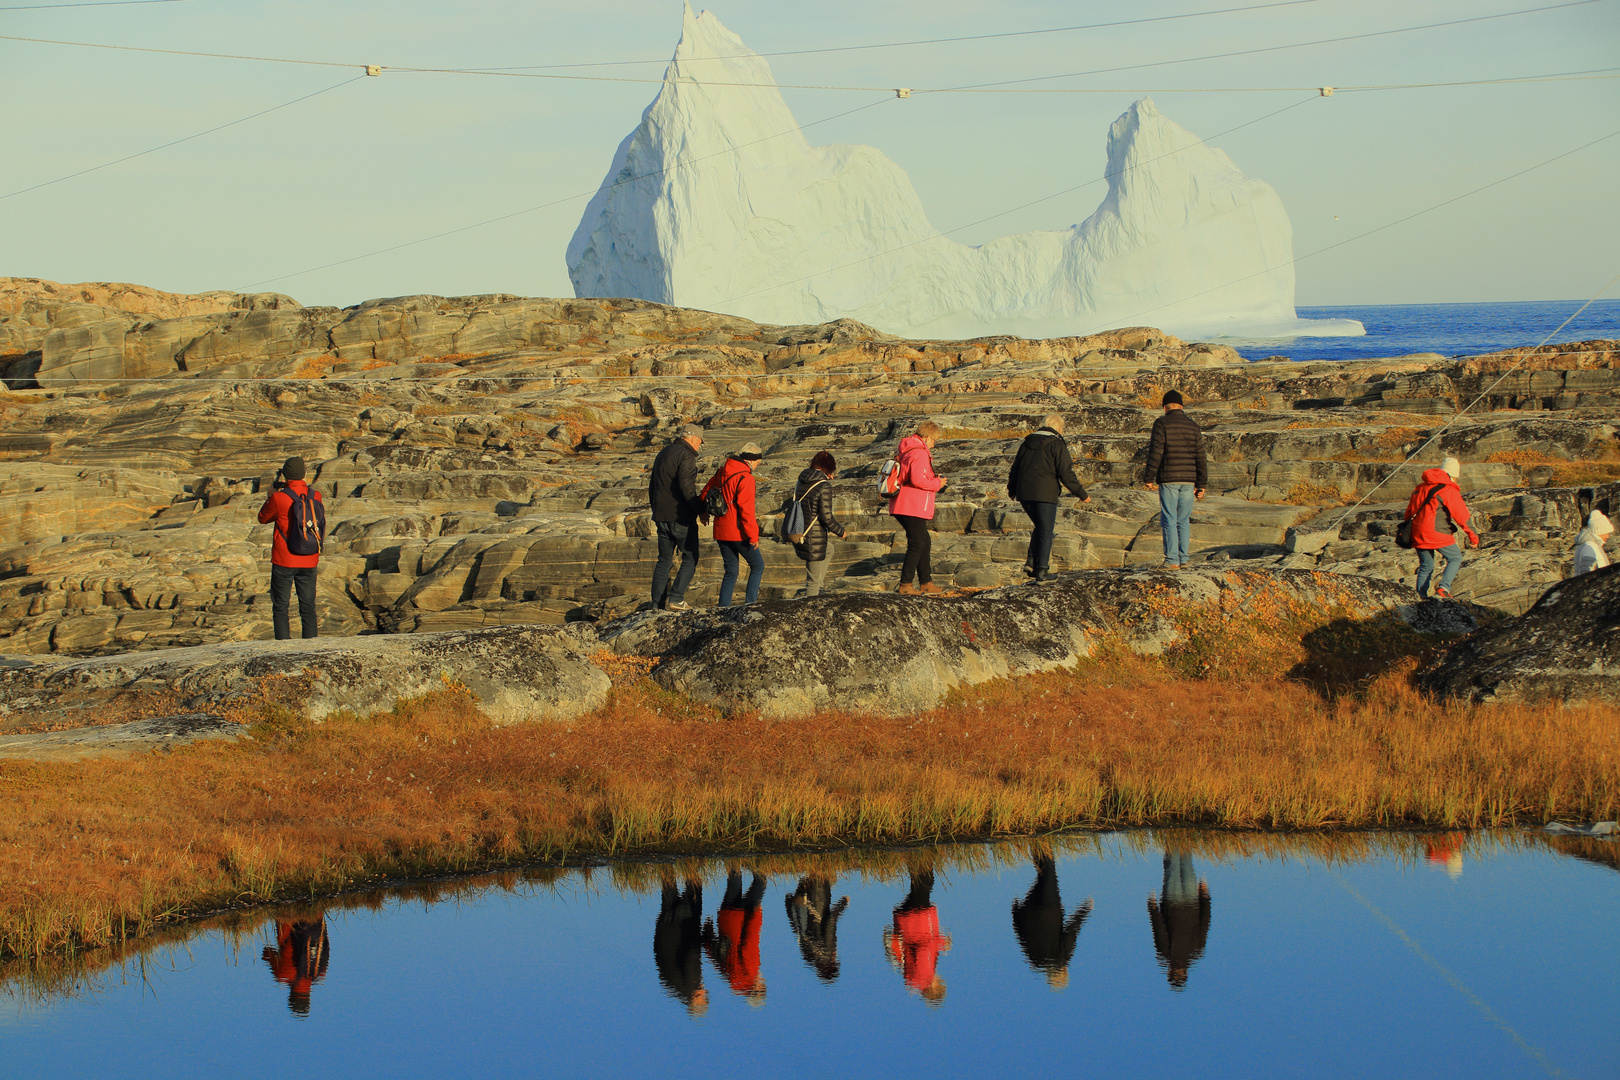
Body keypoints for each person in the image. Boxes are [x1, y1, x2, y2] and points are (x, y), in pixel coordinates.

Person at [1007, 414, 1090, 582]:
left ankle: (1031, 561)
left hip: (1024, 493)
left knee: (1040, 526)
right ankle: (1042, 570)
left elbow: (1016, 468)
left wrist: (1012, 489)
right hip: (1045, 493)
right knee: (1046, 530)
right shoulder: (1057, 444)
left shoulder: (1027, 443)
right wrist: (1082, 494)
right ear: (1058, 428)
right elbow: (1066, 473)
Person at [257, 455, 325, 640]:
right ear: (304, 474)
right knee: (308, 606)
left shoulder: (279, 498)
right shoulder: (315, 495)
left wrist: (270, 495)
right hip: (309, 558)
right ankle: (311, 646)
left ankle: (283, 648)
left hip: (284, 559)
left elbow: (262, 517)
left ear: (285, 476)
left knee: (280, 606)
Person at [1142, 390, 1207, 569]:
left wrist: (1148, 477)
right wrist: (1202, 484)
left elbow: (1156, 452)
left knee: (1169, 519)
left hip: (1169, 478)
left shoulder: (1161, 423)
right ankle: (1183, 558)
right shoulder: (1193, 426)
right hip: (1189, 479)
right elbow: (1201, 456)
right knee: (1183, 520)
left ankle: (1171, 560)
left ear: (1165, 407)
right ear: (1181, 406)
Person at [1011, 854, 1093, 989]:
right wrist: (1015, 911)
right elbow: (1021, 935)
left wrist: (1086, 909)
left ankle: (1041, 839)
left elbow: (1072, 931)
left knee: (1048, 868)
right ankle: (1035, 841)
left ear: (1063, 972)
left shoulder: (1060, 960)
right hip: (1027, 911)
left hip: (1048, 907)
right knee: (1042, 874)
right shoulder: (1034, 961)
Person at [1402, 456, 1479, 599]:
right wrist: (1473, 536)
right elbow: (1462, 516)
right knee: (1455, 557)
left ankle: (1421, 597)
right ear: (1452, 475)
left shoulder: (1420, 488)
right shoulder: (1448, 490)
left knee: (1426, 565)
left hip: (1417, 532)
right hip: (1437, 532)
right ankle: (1443, 588)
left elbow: (1409, 513)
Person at [649, 424, 705, 611]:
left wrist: (655, 509)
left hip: (661, 515)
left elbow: (653, 486)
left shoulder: (663, 453)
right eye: (700, 442)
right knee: (690, 557)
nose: (699, 446)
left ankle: (656, 603)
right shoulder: (686, 456)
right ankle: (676, 598)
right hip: (680, 516)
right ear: (693, 438)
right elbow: (687, 488)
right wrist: (700, 508)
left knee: (664, 560)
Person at [889, 420, 948, 595]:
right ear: (928, 437)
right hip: (911, 504)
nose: (934, 444)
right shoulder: (920, 453)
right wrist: (938, 482)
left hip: (904, 503)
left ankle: (926, 582)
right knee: (917, 543)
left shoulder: (907, 450)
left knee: (924, 541)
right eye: (934, 441)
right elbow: (918, 480)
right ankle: (905, 585)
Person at [701, 443, 765, 606]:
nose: (758, 464)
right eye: (758, 461)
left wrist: (703, 513)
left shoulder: (722, 471)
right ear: (751, 460)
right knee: (757, 565)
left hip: (720, 530)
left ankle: (723, 607)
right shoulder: (746, 478)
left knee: (731, 571)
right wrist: (753, 535)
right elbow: (746, 510)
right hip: (738, 532)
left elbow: (705, 492)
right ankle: (750, 604)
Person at [883, 868, 951, 1005]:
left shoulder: (924, 976)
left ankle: (917, 856)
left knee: (926, 882)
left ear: (934, 988)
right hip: (908, 922)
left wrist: (942, 943)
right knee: (920, 885)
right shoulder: (913, 976)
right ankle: (914, 857)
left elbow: (923, 949)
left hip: (917, 918)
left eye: (939, 983)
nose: (939, 979)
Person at [1146, 849, 1210, 991]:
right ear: (1185, 973)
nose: (1177, 971)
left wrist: (1153, 909)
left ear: (1169, 972)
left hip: (1173, 901)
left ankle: (1171, 836)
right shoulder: (1196, 951)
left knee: (1174, 867)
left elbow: (1159, 929)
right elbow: (1204, 923)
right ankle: (1180, 836)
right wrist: (1205, 897)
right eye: (1179, 974)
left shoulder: (1166, 953)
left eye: (1175, 974)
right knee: (1183, 863)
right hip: (1189, 901)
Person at [702, 870, 767, 1003]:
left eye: (763, 985)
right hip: (726, 920)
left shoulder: (751, 973)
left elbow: (751, 940)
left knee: (761, 881)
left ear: (757, 987)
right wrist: (707, 930)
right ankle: (734, 860)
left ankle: (751, 856)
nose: (763, 980)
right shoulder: (729, 975)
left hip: (743, 917)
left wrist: (757, 913)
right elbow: (712, 953)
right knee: (734, 881)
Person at [790, 451, 847, 597]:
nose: (832, 476)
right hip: (813, 538)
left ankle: (819, 588)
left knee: (829, 549)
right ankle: (811, 609)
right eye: (831, 471)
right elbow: (826, 516)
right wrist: (841, 531)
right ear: (825, 469)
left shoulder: (800, 481)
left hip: (800, 532)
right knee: (813, 581)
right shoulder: (823, 485)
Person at [654, 875, 708, 1016]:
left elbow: (693, 953)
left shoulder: (691, 981)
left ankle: (693, 859)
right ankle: (665, 858)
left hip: (684, 925)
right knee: (668, 881)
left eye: (704, 995)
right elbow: (658, 953)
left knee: (694, 885)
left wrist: (703, 938)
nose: (705, 990)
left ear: (696, 998)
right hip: (665, 927)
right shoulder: (672, 985)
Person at [784, 875, 850, 982]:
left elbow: (830, 921)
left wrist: (843, 903)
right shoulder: (808, 957)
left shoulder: (827, 952)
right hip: (799, 903)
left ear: (832, 963)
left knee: (829, 874)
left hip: (816, 896)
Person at [261, 916, 330, 1016]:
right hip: (288, 916)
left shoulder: (320, 971)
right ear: (291, 996)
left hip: (316, 915)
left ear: (308, 995)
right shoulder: (283, 975)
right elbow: (266, 952)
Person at [1573, 509, 1613, 576]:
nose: (1607, 536)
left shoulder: (1592, 545)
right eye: (1606, 533)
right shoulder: (1589, 546)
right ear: (1600, 532)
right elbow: (1586, 573)